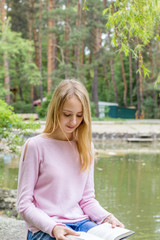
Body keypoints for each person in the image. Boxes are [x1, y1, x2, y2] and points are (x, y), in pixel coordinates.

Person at [17, 79, 124, 240]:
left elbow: (87, 199)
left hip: (81, 223)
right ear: (55, 110)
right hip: (45, 227)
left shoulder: (86, 146)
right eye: (67, 114)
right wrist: (54, 227)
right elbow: (24, 205)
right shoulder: (35, 146)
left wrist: (107, 217)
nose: (73, 121)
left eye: (79, 115)